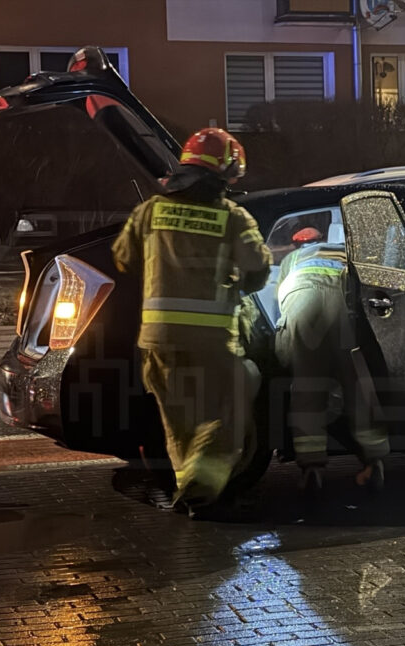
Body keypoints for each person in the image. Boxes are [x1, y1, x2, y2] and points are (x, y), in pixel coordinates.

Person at [112, 127, 271, 516]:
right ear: (225, 173)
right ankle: (202, 487)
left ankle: (192, 494)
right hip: (211, 341)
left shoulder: (150, 211)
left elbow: (122, 259)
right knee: (230, 407)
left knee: (179, 425)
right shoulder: (232, 217)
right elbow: (258, 270)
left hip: (158, 340)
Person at [275, 227, 389, 498]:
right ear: (321, 240)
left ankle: (311, 465)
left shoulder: (292, 259)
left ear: (296, 245)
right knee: (356, 382)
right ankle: (374, 459)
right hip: (340, 304)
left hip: (302, 303)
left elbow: (279, 302)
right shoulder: (341, 251)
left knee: (307, 387)